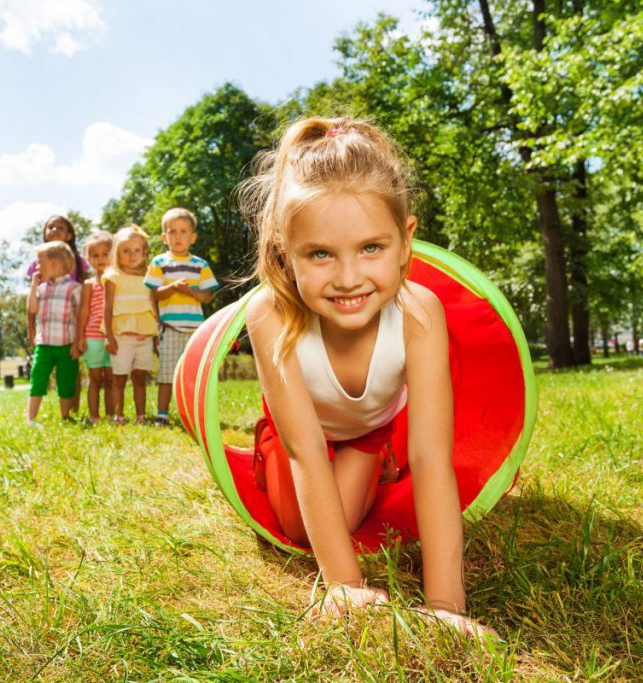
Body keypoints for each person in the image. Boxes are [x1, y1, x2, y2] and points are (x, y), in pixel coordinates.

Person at [239, 116, 496, 638]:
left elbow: (430, 458)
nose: (349, 277)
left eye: (371, 248)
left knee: (349, 518)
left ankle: (375, 459)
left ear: (406, 242)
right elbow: (305, 451)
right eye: (320, 254)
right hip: (301, 436)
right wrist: (343, 586)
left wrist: (446, 603)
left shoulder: (420, 312)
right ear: (286, 255)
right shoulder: (271, 314)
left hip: (365, 433)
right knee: (296, 527)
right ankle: (258, 448)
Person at [145, 207, 219, 426]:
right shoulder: (160, 263)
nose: (178, 237)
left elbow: (207, 296)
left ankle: (195, 414)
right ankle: (162, 414)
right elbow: (153, 294)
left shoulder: (200, 265)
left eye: (183, 231)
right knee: (166, 374)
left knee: (194, 376)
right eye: (172, 232)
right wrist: (173, 287)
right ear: (164, 237)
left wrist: (192, 292)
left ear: (193, 237)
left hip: (196, 330)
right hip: (170, 327)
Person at [103, 225, 158, 424]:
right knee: (118, 378)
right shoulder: (113, 276)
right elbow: (107, 308)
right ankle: (119, 415)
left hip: (144, 337)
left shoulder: (150, 276)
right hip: (121, 337)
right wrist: (109, 336)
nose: (132, 255)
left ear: (145, 253)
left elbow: (153, 305)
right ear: (117, 253)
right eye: (126, 250)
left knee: (139, 378)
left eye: (137, 250)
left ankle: (141, 416)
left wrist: (157, 334)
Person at [26, 241, 82, 422]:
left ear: (55, 262)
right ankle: (31, 418)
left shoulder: (74, 288)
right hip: (44, 345)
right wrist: (33, 286)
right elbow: (32, 309)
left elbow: (80, 316)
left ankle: (65, 416)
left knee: (66, 382)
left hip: (66, 345)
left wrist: (77, 343)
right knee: (37, 380)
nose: (37, 266)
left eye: (40, 262)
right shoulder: (41, 289)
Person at [75, 230, 115, 423]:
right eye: (95, 255)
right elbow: (84, 311)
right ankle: (94, 416)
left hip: (113, 336)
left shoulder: (116, 281)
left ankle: (111, 415)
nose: (101, 259)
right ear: (88, 258)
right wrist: (81, 336)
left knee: (110, 378)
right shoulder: (89, 284)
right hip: (93, 337)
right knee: (95, 378)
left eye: (105, 254)